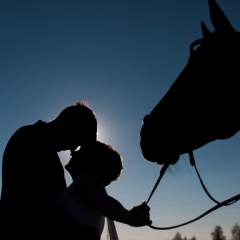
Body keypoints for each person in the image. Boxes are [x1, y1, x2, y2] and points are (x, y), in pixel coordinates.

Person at [0, 101, 97, 240]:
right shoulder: (30, 139)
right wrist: (75, 231)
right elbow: (30, 204)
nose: (72, 149)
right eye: (77, 139)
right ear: (66, 124)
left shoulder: (36, 140)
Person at [56, 140, 152, 240]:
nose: (73, 152)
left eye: (81, 151)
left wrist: (127, 216)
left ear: (90, 161)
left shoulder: (88, 180)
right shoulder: (83, 186)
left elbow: (104, 202)